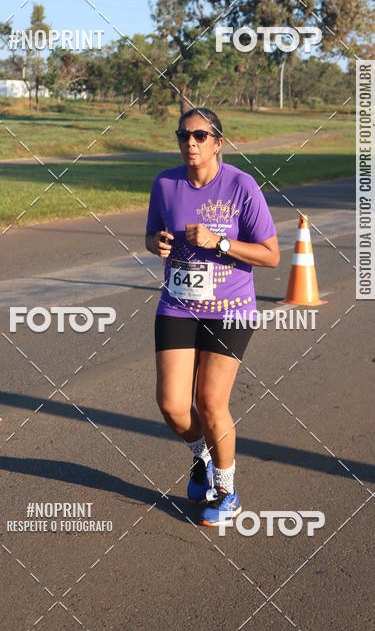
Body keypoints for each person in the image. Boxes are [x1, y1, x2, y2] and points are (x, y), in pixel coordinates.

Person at [145, 107, 279, 526]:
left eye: (200, 136)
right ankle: (202, 454)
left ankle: (226, 492)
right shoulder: (165, 184)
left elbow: (271, 255)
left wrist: (219, 242)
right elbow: (151, 235)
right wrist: (156, 243)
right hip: (177, 304)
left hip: (230, 310)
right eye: (183, 135)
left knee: (209, 401)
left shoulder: (241, 186)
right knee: (172, 406)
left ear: (218, 143)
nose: (191, 143)